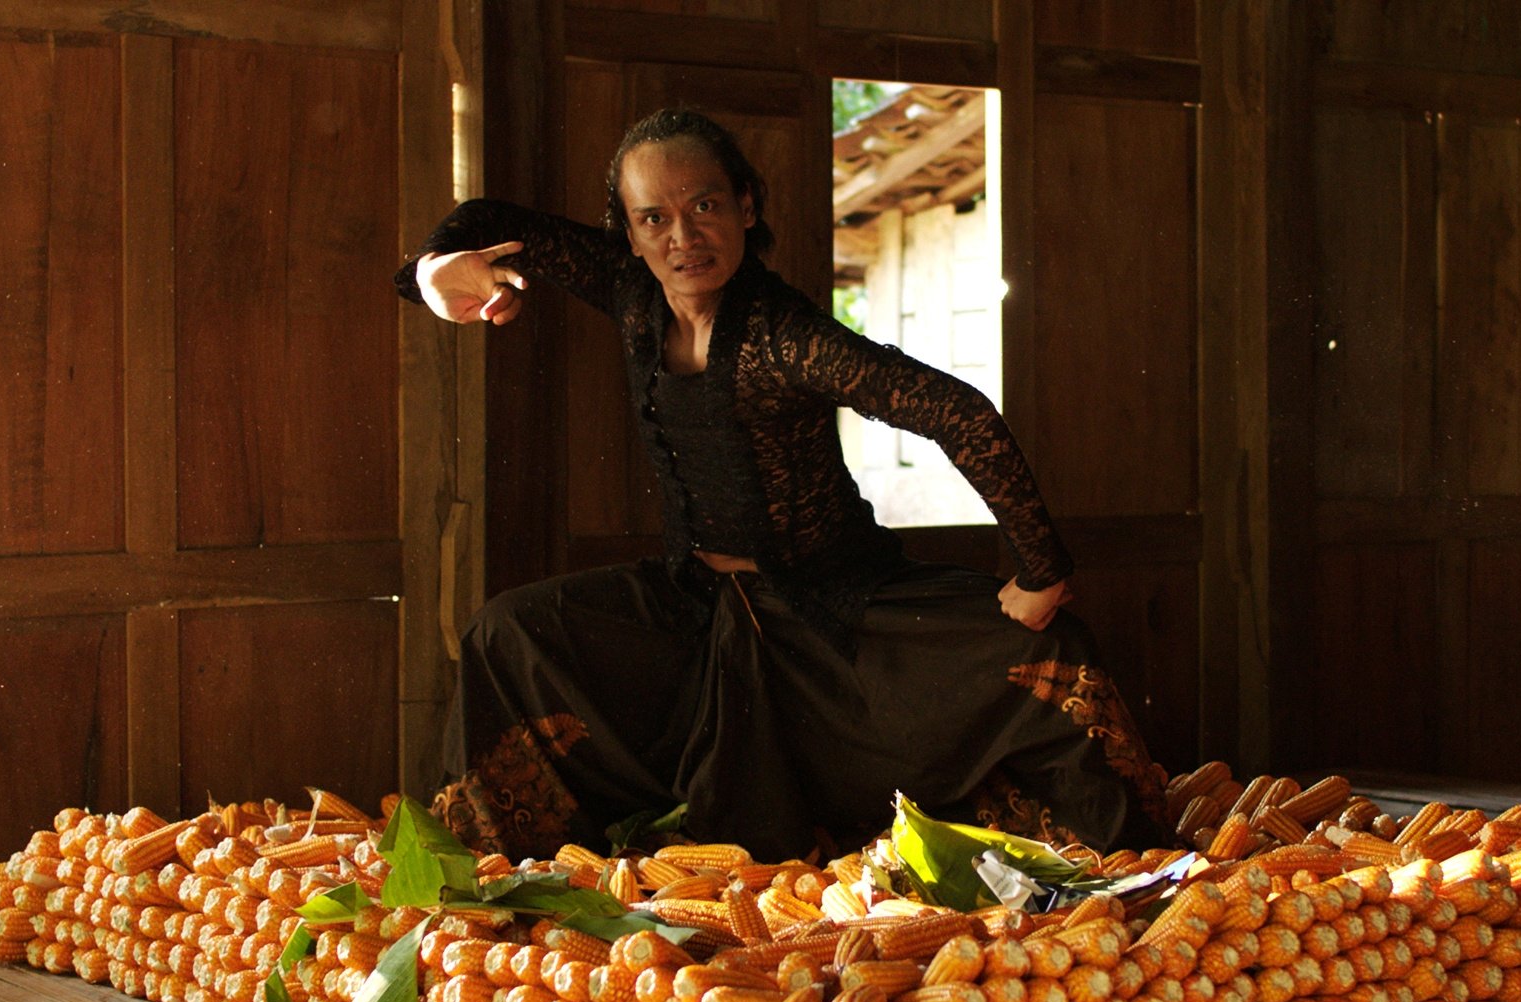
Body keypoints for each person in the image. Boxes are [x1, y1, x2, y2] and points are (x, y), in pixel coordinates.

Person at [397, 108, 1170, 862]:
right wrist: (435, 271)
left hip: (826, 603)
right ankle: (504, 865)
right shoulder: (632, 290)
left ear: (745, 206)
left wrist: (1041, 568)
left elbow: (955, 411)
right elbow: (491, 219)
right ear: (628, 233)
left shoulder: (783, 337)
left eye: (704, 206)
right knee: (506, 632)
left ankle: (1089, 861)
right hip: (696, 601)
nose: (682, 237)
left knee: (1050, 654)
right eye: (654, 218)